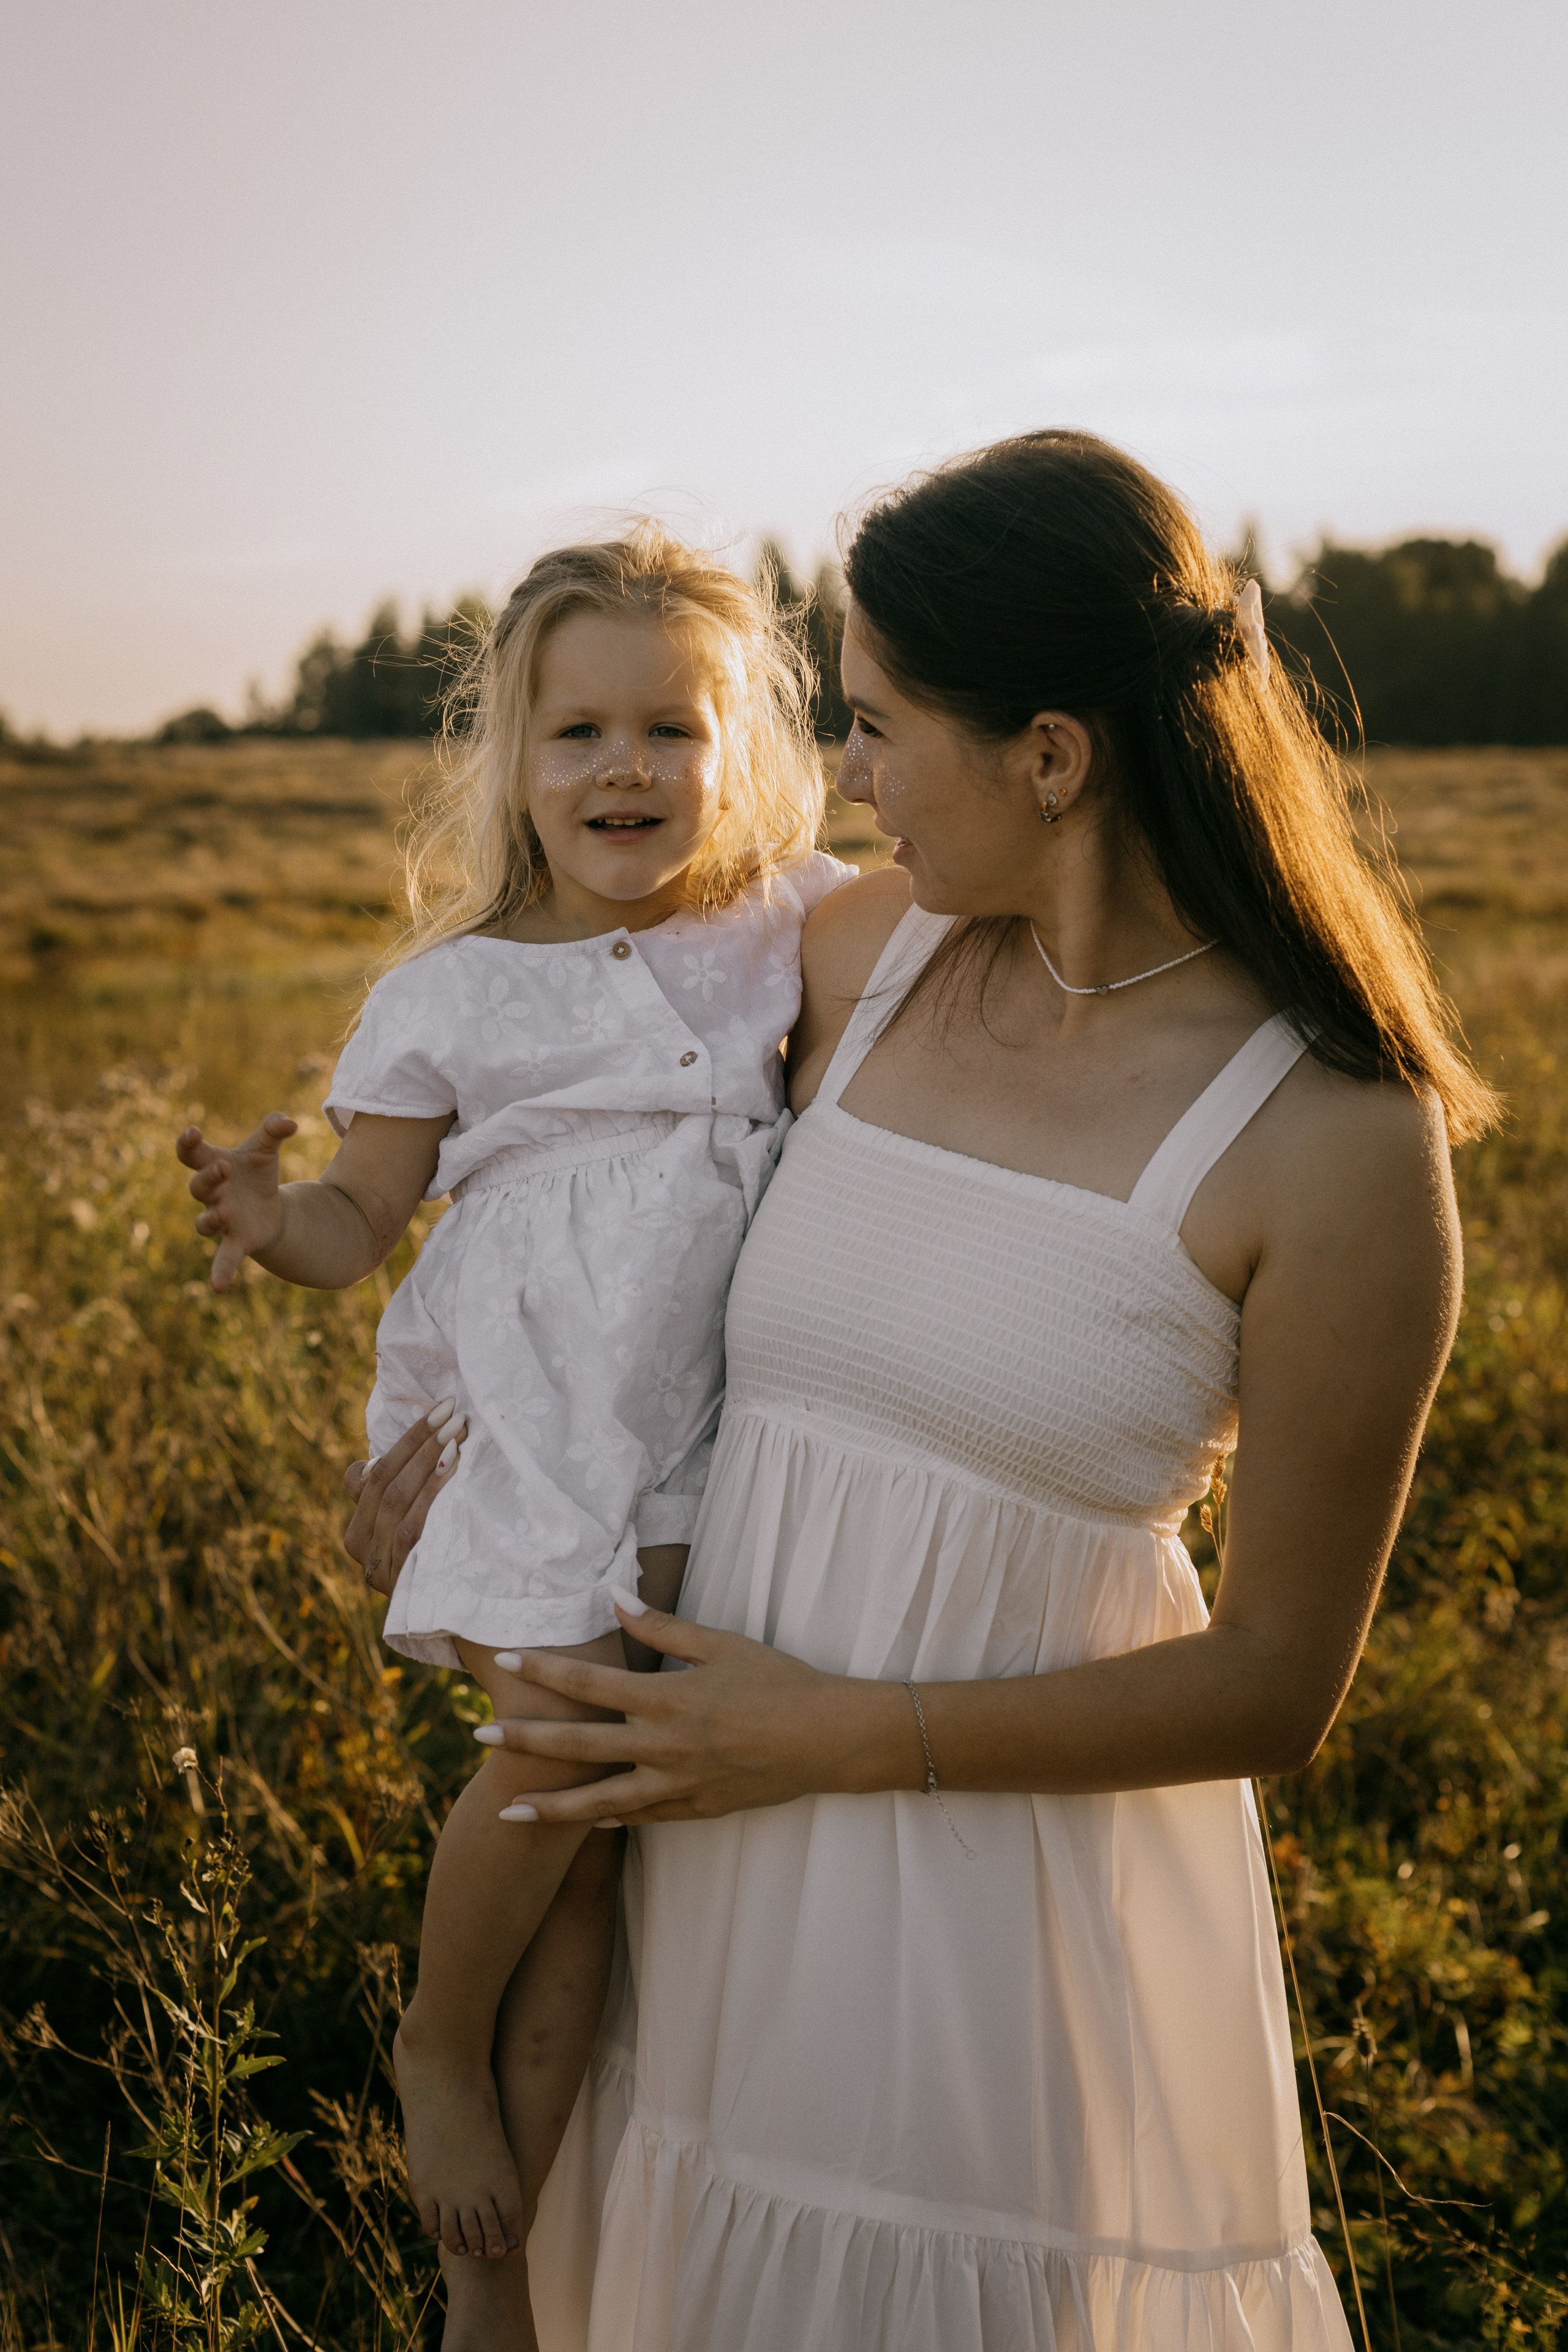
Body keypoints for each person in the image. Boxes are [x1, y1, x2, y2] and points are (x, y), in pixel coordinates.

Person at [353, 432, 1488, 2351]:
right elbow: (565, 1159)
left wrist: (839, 1736)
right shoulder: (854, 957)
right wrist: (452, 1461)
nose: (843, 780)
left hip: (991, 1905)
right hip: (701, 1843)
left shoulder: (1339, 1139)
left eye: (876, 727)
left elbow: (1285, 1684)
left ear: (1052, 753)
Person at [175, 526, 850, 2348]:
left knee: (598, 1834)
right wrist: (268, 1217)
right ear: (515, 763)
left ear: (738, 750)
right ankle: (430, 2041)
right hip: (519, 1421)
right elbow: (353, 1226)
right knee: (555, 1739)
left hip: (684, 1434)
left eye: (671, 729)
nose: (626, 768)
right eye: (578, 734)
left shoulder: (784, 923)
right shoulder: (453, 994)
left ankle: (503, 2285)